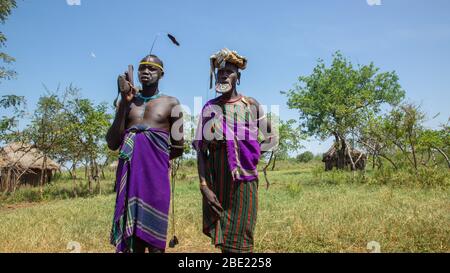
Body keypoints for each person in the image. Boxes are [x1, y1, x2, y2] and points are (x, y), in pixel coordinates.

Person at [193, 48, 277, 253]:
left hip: (244, 182)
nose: (223, 75)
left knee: (242, 240)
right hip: (217, 182)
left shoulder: (250, 105)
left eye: (229, 71)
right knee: (225, 240)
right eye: (219, 72)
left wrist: (252, 155)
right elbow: (200, 150)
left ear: (237, 77)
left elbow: (272, 138)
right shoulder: (209, 108)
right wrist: (204, 186)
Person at [106, 54, 184, 253]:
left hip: (156, 180)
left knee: (156, 245)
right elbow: (112, 142)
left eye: (152, 68)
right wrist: (124, 103)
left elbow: (178, 146)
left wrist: (153, 160)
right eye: (142, 68)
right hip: (131, 178)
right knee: (133, 244)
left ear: (161, 74)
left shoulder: (172, 103)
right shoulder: (127, 103)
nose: (146, 72)